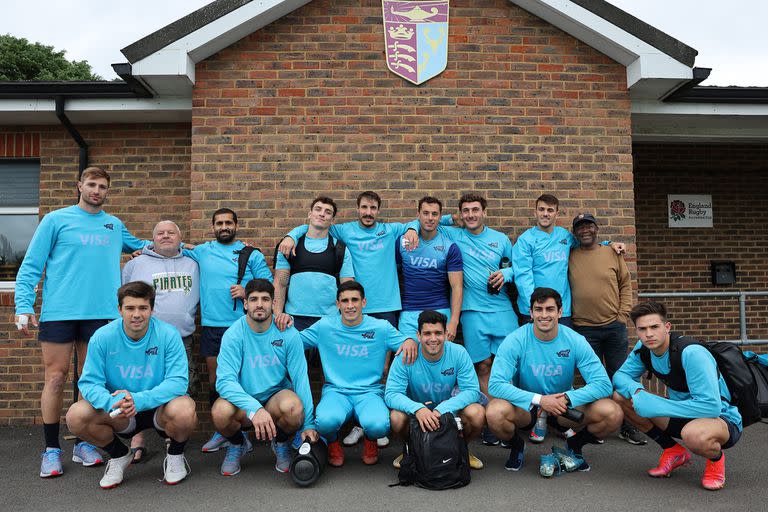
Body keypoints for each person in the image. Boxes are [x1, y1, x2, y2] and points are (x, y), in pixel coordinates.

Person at [14, 166, 150, 478]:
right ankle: (50, 449)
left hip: (101, 314)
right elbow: (32, 265)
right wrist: (23, 305)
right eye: (91, 184)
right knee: (56, 377)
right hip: (59, 312)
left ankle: (82, 444)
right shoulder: (56, 220)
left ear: (107, 191)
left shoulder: (113, 225)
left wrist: (177, 247)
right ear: (80, 186)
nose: (97, 191)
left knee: (90, 381)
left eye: (103, 186)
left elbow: (142, 244)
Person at [278, 191, 418, 448]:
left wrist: (413, 229)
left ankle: (369, 425)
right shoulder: (341, 231)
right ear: (357, 209)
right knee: (311, 370)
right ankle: (318, 428)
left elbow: (418, 221)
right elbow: (313, 226)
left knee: (377, 367)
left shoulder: (387, 230)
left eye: (373, 208)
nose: (368, 212)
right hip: (326, 312)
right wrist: (291, 234)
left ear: (378, 209)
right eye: (364, 207)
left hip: (377, 308)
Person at [65, 282, 196, 488]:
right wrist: (111, 401)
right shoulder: (102, 337)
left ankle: (175, 456)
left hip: (159, 408)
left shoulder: (168, 334)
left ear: (152, 309)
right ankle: (119, 456)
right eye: (130, 308)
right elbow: (89, 383)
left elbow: (178, 382)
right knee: (76, 415)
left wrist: (139, 399)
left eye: (143, 308)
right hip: (121, 412)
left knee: (185, 408)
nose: (136, 314)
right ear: (120, 310)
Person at [486, 287, 622, 474]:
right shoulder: (515, 340)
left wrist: (566, 398)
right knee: (495, 412)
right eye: (538, 309)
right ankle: (517, 446)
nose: (544, 315)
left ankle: (574, 444)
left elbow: (603, 384)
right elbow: (495, 385)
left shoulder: (575, 340)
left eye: (550, 309)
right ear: (531, 313)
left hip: (562, 406)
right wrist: (540, 400)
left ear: (560, 312)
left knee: (612, 413)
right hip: (528, 407)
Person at [612, 301, 743, 491]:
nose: (648, 334)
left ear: (667, 327)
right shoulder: (644, 349)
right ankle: (672, 450)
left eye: (654, 327)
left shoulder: (692, 353)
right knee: (620, 397)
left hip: (721, 419)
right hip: (682, 414)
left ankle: (716, 459)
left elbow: (710, 407)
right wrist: (637, 391)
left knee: (693, 434)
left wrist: (655, 405)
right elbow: (620, 376)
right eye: (642, 329)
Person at [299, 281, 418, 467]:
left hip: (370, 392)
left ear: (364, 302)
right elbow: (295, 341)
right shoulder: (324, 327)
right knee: (324, 422)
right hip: (336, 391)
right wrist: (280, 323)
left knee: (379, 425)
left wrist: (410, 339)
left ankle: (371, 441)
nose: (350, 305)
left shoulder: (381, 328)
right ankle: (332, 443)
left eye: (355, 300)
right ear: (337, 304)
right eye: (344, 301)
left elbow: (405, 343)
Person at [184, 208, 273, 452]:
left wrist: (247, 291)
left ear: (236, 225)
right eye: (219, 223)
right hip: (212, 327)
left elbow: (269, 285)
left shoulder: (250, 253)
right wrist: (143, 250)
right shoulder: (202, 251)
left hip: (244, 327)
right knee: (216, 380)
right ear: (213, 227)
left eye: (228, 223)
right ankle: (223, 430)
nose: (224, 227)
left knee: (247, 377)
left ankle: (252, 426)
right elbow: (170, 245)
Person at [212, 279, 318, 476]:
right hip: (244, 403)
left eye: (265, 299)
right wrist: (254, 409)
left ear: (273, 304)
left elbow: (300, 378)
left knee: (294, 408)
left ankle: (281, 443)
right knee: (220, 412)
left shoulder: (287, 333)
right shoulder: (233, 334)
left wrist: (309, 424)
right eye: (253, 299)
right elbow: (225, 382)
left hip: (274, 399)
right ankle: (237, 444)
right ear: (245, 304)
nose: (259, 304)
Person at [437, 193, 517, 445]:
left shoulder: (500, 239)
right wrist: (450, 218)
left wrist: (507, 272)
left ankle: (505, 417)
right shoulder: (453, 235)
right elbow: (427, 223)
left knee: (508, 367)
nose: (471, 215)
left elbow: (520, 267)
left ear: (484, 212)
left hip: (502, 309)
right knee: (482, 366)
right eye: (465, 211)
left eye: (475, 210)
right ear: (460, 214)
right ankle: (492, 424)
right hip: (471, 312)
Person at [122, 219, 200, 462]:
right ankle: (138, 438)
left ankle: (171, 437)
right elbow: (124, 300)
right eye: (160, 233)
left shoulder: (194, 262)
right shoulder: (135, 264)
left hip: (181, 337)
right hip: (143, 339)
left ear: (180, 238)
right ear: (152, 239)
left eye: (171, 233)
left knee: (180, 388)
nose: (165, 236)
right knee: (140, 386)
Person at [568, 212, 643, 445]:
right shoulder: (568, 255)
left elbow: (625, 284)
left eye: (589, 226)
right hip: (584, 329)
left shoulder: (611, 252)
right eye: (580, 227)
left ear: (596, 228)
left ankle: (628, 426)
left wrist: (622, 316)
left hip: (613, 327)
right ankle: (597, 425)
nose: (585, 230)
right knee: (593, 381)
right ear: (575, 233)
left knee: (620, 377)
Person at [385, 310, 484, 470]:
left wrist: (443, 409)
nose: (433, 339)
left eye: (438, 333)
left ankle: (461, 449)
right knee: (396, 417)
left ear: (446, 334)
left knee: (477, 413)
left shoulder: (458, 352)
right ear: (418, 335)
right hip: (417, 414)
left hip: (449, 411)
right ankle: (412, 449)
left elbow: (472, 391)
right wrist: (418, 409)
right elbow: (391, 394)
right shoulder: (406, 354)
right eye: (427, 333)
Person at [273, 196, 354, 332]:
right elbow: (280, 284)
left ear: (332, 220)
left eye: (328, 212)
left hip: (329, 319)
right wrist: (277, 315)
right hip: (294, 319)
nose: (322, 214)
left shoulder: (340, 249)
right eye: (318, 209)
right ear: (310, 214)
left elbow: (347, 288)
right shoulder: (289, 246)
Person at [395, 196, 463, 341]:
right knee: (408, 357)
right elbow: (393, 274)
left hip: (439, 309)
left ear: (440, 217)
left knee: (439, 359)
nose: (430, 218)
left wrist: (454, 322)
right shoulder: (402, 242)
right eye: (425, 213)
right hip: (409, 312)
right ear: (418, 215)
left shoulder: (450, 247)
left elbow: (457, 286)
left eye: (434, 214)